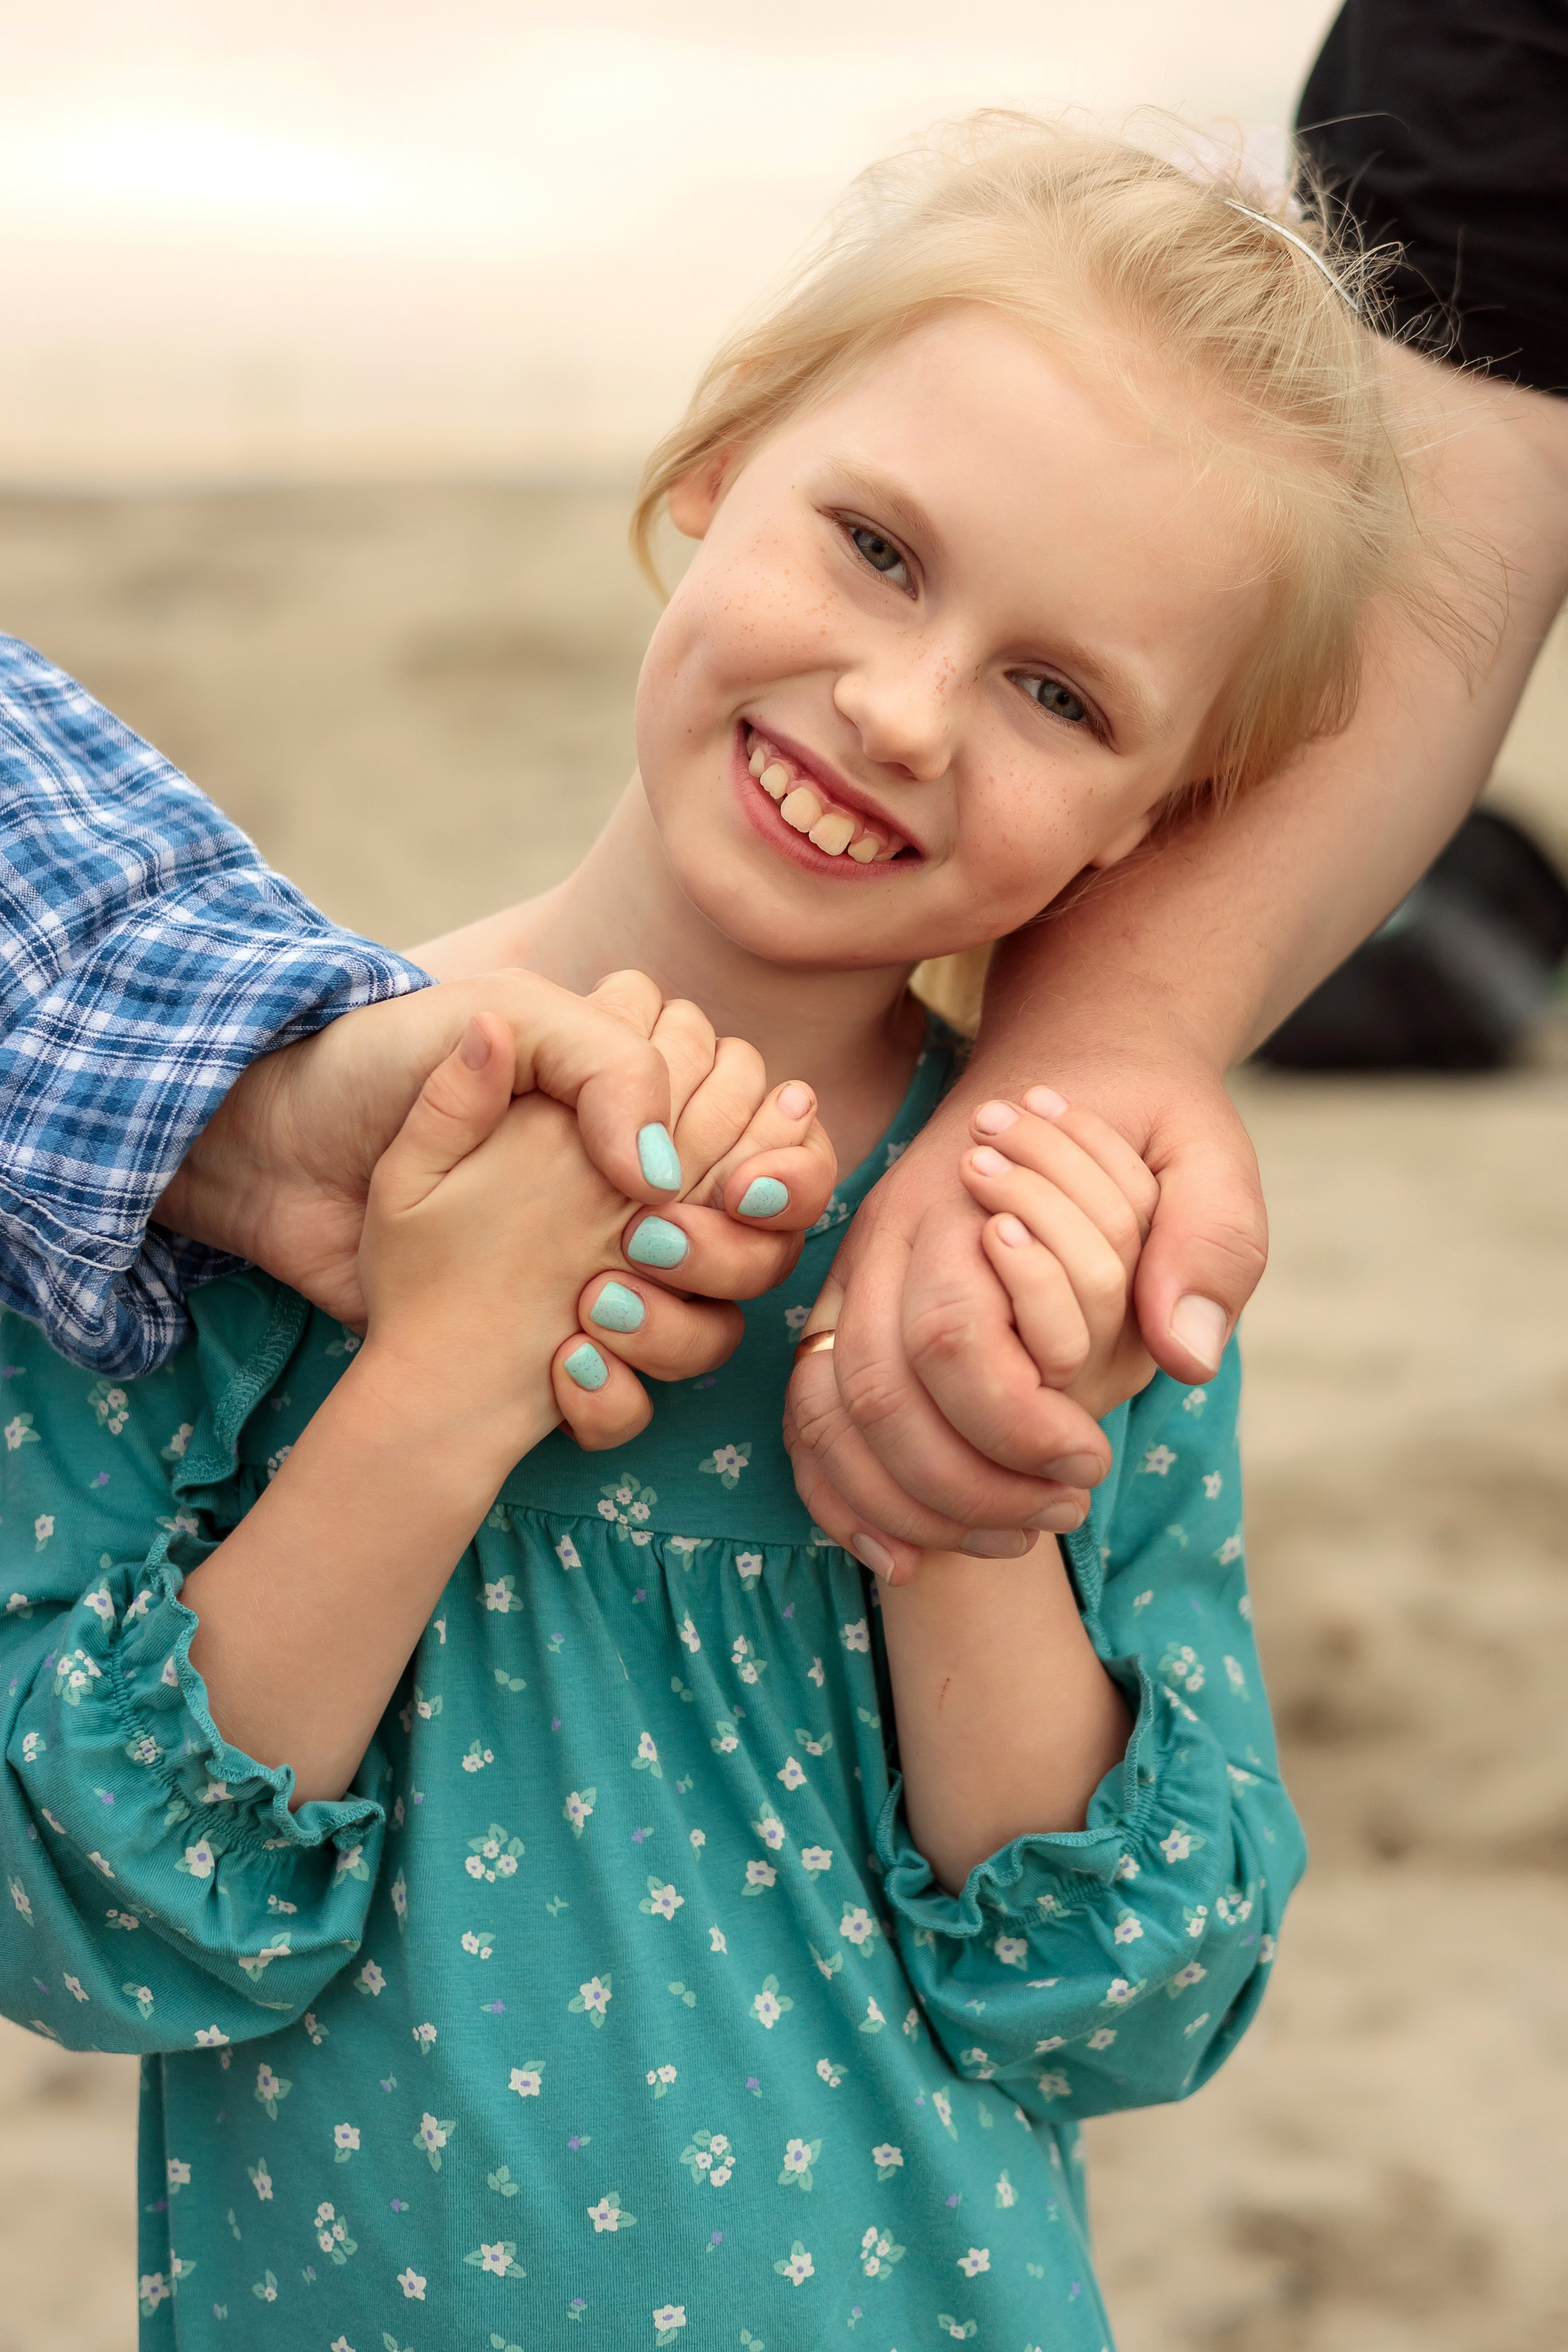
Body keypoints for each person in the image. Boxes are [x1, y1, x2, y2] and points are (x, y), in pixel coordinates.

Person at [0, 116, 1369, 2346]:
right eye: (878, 548)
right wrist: (436, 1376)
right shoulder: (216, 1139)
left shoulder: (1069, 1255)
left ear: (1163, 822)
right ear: (716, 464)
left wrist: (969, 1496)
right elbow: (89, 1928)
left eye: (1061, 695)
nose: (904, 711)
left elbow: (1122, 2008)